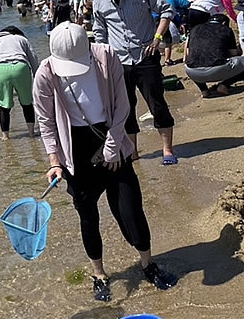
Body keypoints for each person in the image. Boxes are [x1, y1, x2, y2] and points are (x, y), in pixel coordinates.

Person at [34, 22, 177, 302]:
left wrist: (112, 147)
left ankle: (148, 264)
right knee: (88, 216)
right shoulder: (45, 73)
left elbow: (123, 104)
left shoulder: (105, 56)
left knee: (130, 207)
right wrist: (54, 160)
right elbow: (46, 122)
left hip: (110, 136)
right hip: (75, 149)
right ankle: (99, 274)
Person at [92, 0, 177, 165]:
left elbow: (166, 10)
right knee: (125, 108)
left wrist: (157, 38)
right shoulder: (99, 1)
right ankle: (133, 151)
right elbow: (99, 33)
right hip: (118, 61)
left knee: (156, 103)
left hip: (146, 55)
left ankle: (167, 150)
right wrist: (101, 62)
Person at [0, 26, 39, 139]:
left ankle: (5, 136)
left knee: (4, 106)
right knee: (27, 103)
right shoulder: (23, 39)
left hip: (0, 69)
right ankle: (31, 133)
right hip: (21, 68)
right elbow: (33, 59)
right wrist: (38, 78)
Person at [184, 14, 244, 98]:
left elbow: (188, 53)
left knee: (195, 59)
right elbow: (233, 53)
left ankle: (204, 91)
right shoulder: (226, 29)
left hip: (192, 72)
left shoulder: (195, 29)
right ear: (224, 23)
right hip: (217, 69)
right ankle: (224, 85)